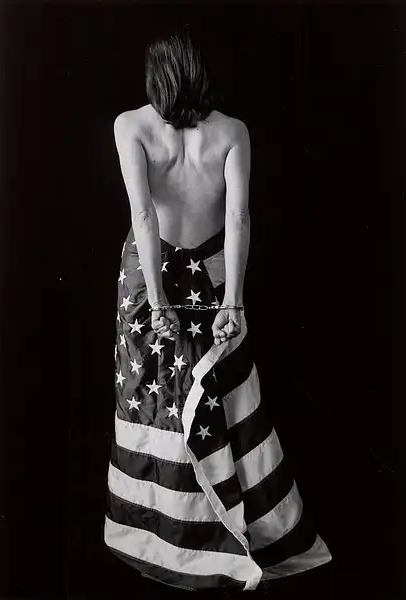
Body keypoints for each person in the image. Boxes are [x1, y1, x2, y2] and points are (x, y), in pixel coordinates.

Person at [104, 27, 332, 592]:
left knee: (156, 399)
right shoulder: (232, 132)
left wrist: (158, 300)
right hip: (210, 278)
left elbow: (143, 215)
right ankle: (221, 534)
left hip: (151, 278)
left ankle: (167, 538)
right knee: (220, 401)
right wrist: (234, 300)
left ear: (156, 77)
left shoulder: (131, 125)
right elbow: (237, 218)